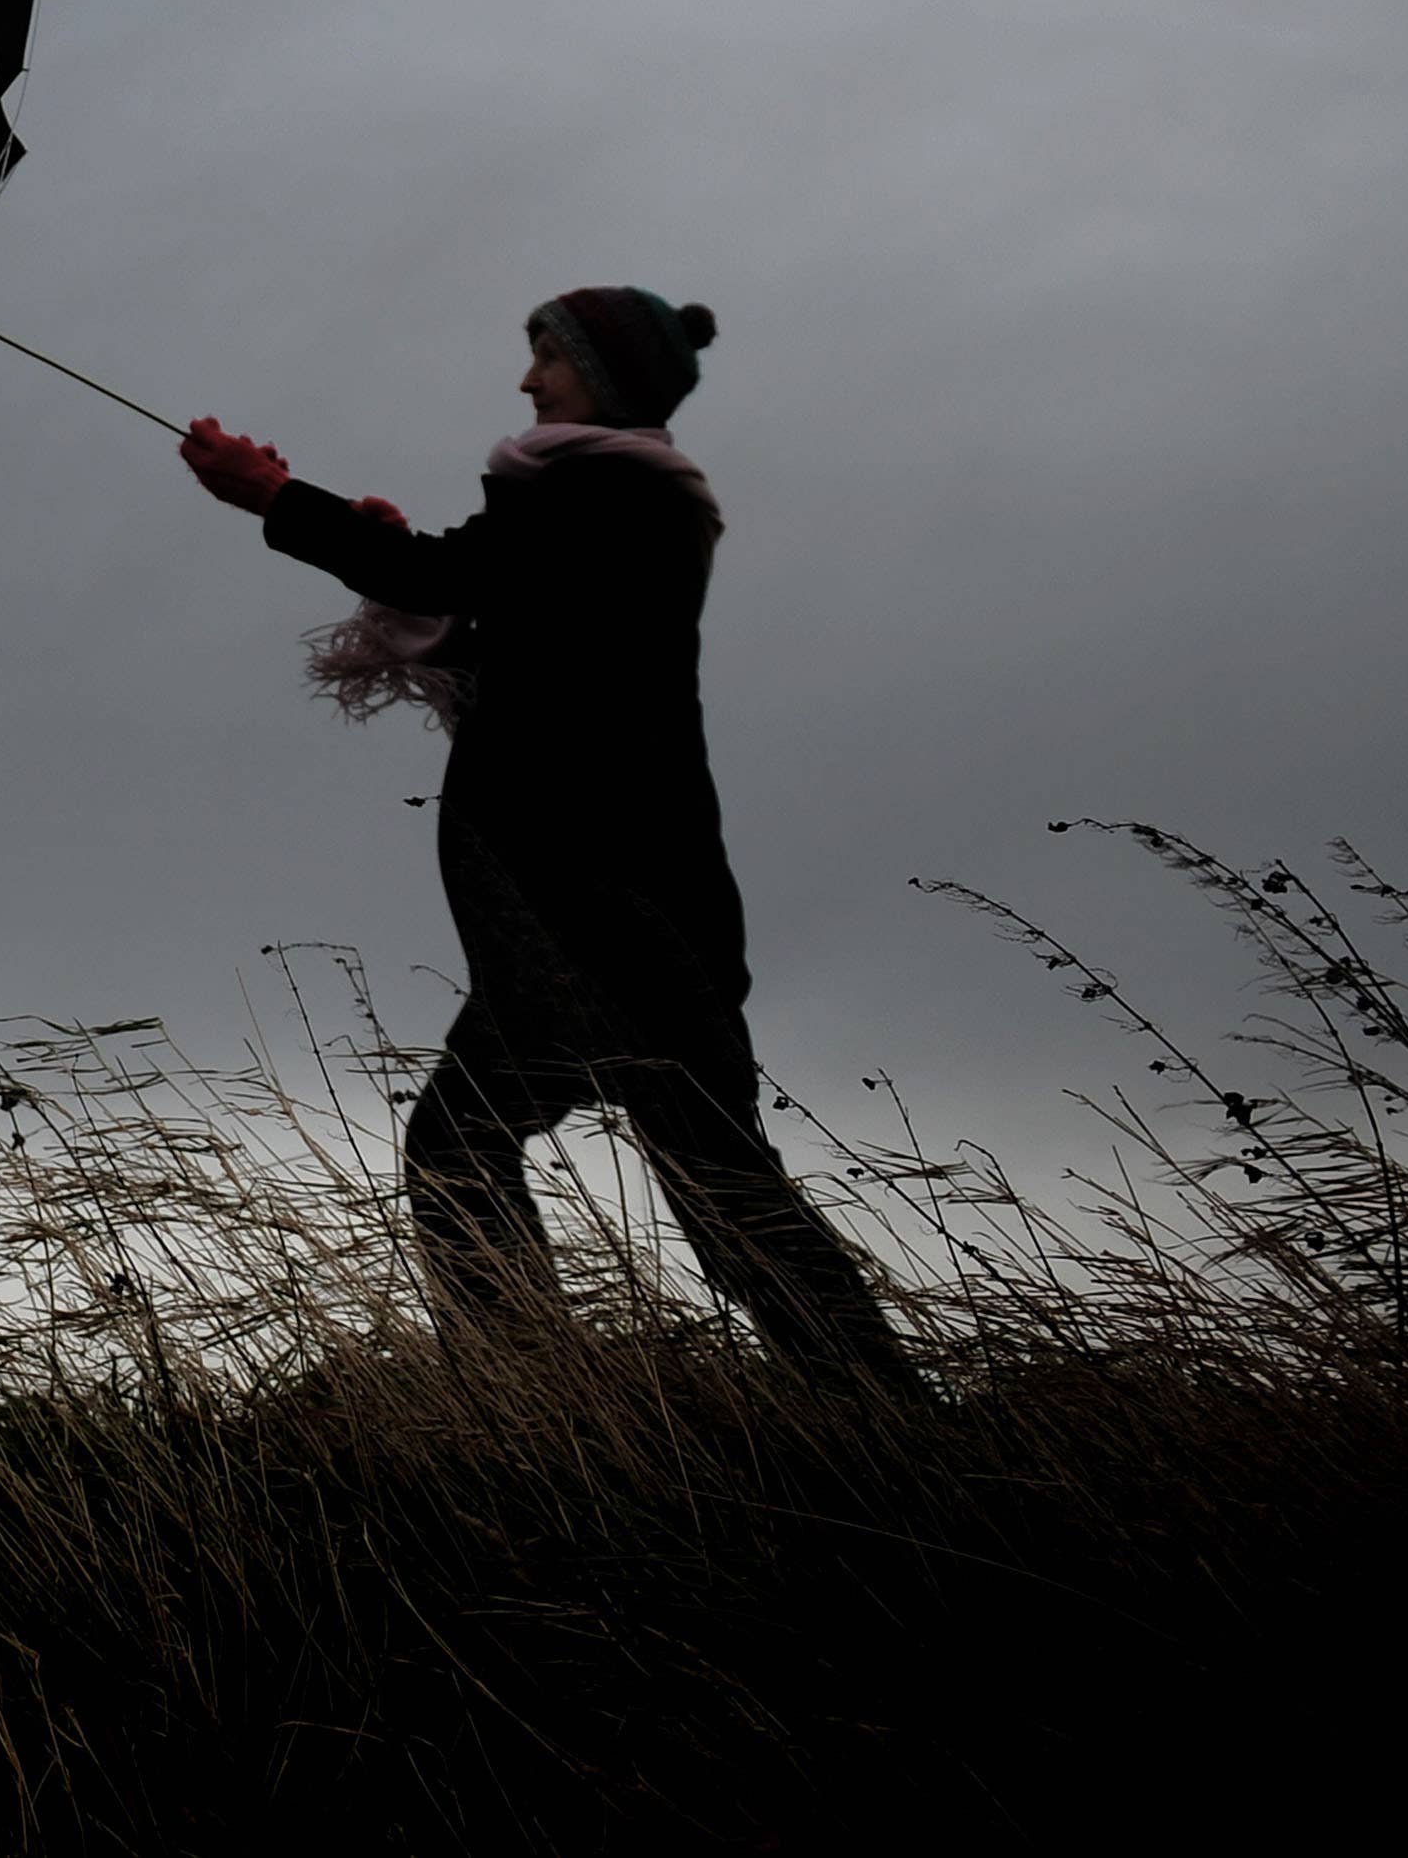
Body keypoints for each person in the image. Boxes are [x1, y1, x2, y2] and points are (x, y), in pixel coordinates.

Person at [177, 289, 910, 1383]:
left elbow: (458, 584)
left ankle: (542, 1395)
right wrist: (366, 543)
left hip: (596, 899)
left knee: (488, 1151)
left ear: (601, 378)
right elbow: (515, 633)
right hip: (621, 896)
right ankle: (865, 1411)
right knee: (693, 1174)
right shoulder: (607, 498)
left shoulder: (604, 491)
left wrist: (279, 498)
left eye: (545, 356)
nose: (526, 379)